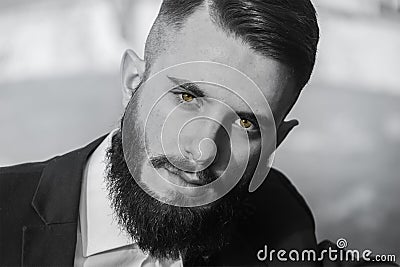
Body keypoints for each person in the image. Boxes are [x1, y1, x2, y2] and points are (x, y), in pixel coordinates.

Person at [0, 0, 397, 266]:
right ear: (132, 81)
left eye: (246, 124)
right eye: (187, 96)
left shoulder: (277, 224)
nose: (203, 150)